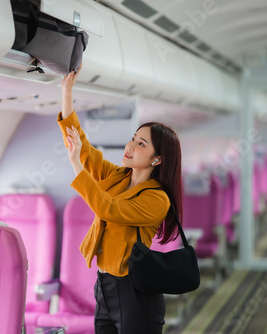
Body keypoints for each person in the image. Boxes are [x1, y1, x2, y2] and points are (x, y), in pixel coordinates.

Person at [57, 66, 183, 334]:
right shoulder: (118, 177)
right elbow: (84, 150)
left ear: (157, 159)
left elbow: (108, 209)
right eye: (133, 139)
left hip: (135, 292)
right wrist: (67, 94)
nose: (130, 146)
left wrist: (76, 167)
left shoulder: (157, 199)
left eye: (141, 145)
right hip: (104, 285)